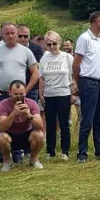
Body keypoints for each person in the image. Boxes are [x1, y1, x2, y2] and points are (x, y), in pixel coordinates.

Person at [0, 23, 39, 162]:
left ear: (17, 34)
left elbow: (35, 73)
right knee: (0, 125)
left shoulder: (26, 51)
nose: (10, 36)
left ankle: (18, 154)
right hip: (1, 94)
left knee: (20, 123)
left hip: (20, 95)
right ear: (2, 34)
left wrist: (26, 91)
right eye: (7, 33)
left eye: (13, 33)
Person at [72, 12, 100, 162]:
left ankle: (99, 151)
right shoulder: (84, 38)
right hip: (89, 82)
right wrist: (79, 83)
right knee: (87, 119)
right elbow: (76, 64)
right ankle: (82, 153)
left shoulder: (97, 39)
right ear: (97, 21)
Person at [39, 30, 75, 160]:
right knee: (50, 123)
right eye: (49, 44)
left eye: (54, 43)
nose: (52, 47)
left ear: (59, 43)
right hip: (49, 93)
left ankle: (65, 151)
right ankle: (50, 150)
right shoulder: (44, 58)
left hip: (64, 93)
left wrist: (73, 92)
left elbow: (73, 76)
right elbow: (41, 77)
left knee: (64, 123)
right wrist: (41, 94)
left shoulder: (67, 57)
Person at [0, 81, 45, 171]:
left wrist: (29, 115)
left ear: (25, 92)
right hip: (10, 134)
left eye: (21, 94)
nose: (18, 96)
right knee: (0, 137)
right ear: (9, 92)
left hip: (27, 134)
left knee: (40, 135)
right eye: (15, 94)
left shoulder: (32, 103)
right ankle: (7, 161)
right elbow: (2, 127)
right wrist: (13, 114)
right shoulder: (3, 104)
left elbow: (40, 126)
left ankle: (33, 159)